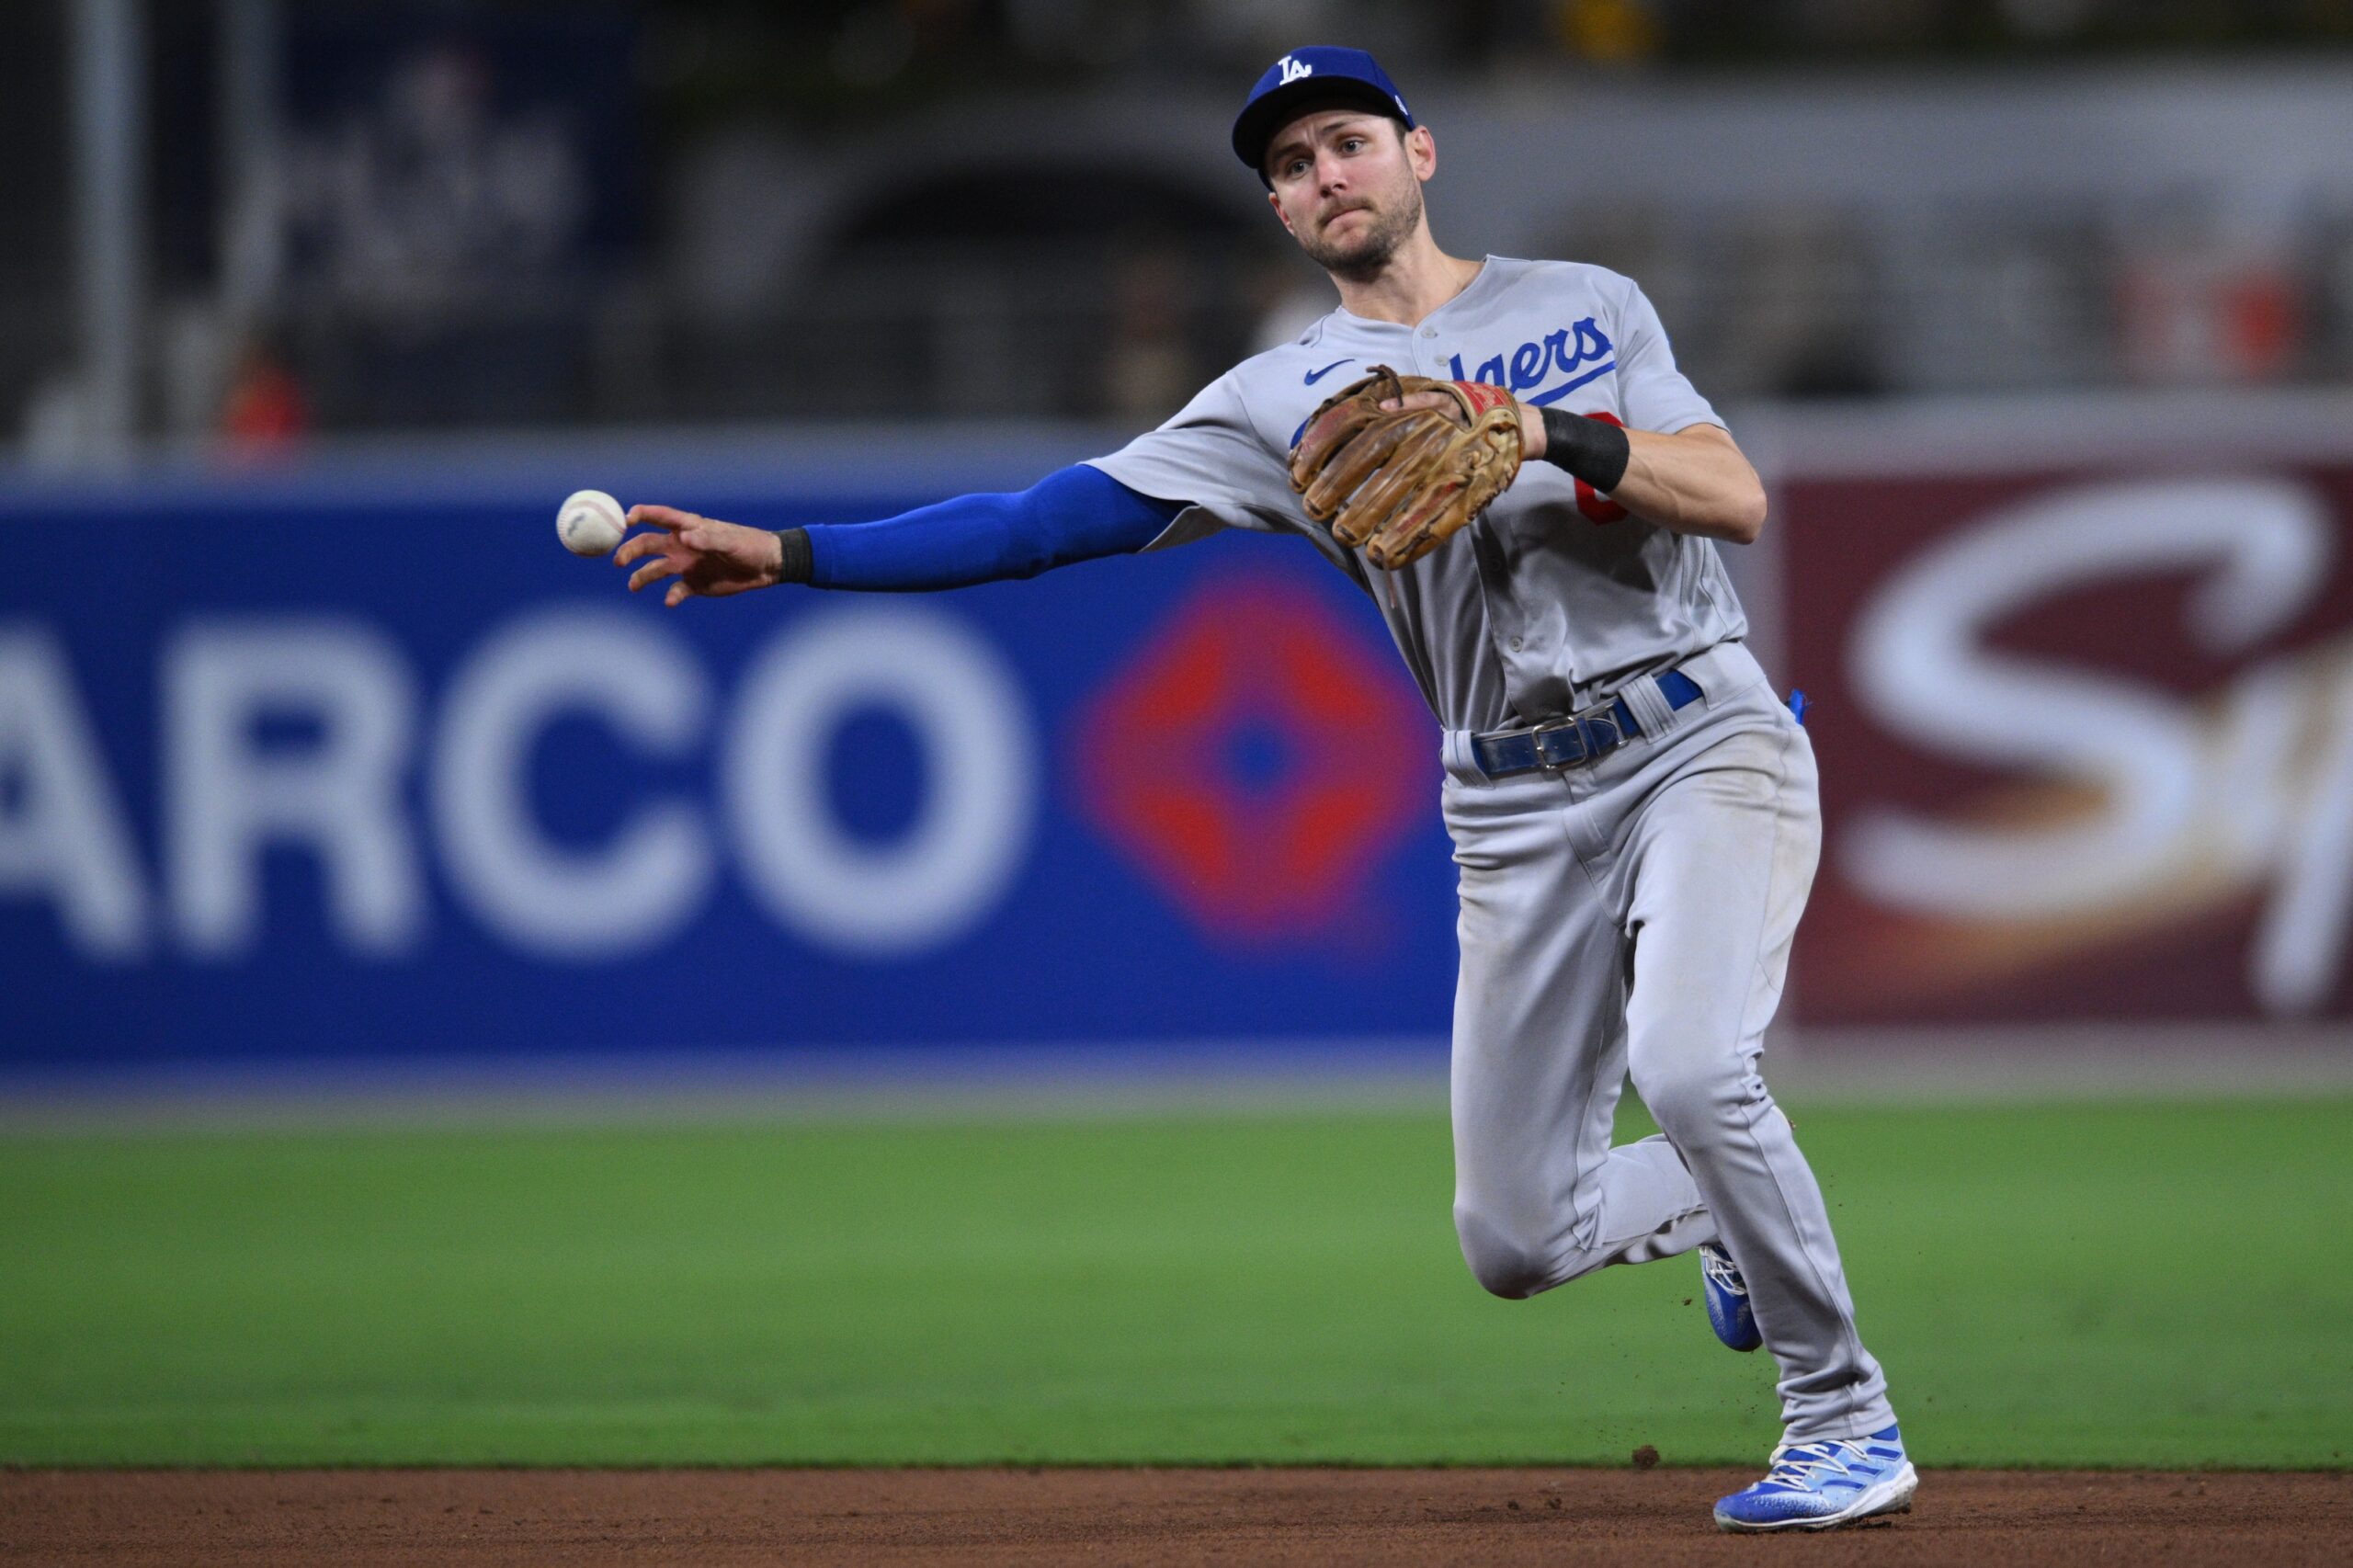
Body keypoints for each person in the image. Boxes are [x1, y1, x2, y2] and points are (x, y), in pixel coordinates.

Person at [613, 46, 1913, 1533]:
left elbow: (1734, 497)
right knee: (1513, 1235)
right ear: (1285, 215)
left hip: (1699, 738)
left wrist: (1545, 430)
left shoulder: (1584, 306)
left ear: (1419, 153)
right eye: (1289, 168)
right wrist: (788, 553)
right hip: (1508, 806)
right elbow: (1044, 523)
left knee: (1691, 1063)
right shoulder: (1277, 398)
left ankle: (1844, 1417)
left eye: (1345, 141)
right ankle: (1716, 1210)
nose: (1321, 177)